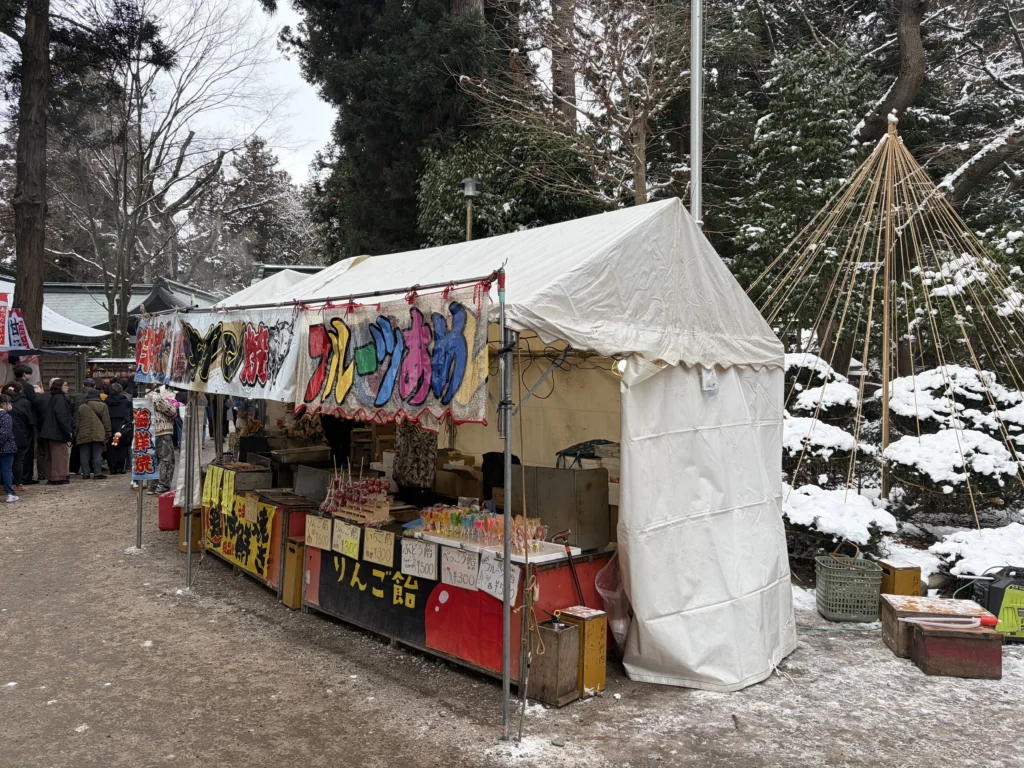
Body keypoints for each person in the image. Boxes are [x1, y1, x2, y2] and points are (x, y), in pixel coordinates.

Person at [40, 379, 74, 485]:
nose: (67, 387)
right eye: (65, 385)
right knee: (59, 455)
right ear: (59, 387)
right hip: (57, 431)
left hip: (48, 430)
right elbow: (61, 415)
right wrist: (68, 429)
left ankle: (51, 476)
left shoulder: (54, 397)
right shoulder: (60, 398)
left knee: (50, 456)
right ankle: (58, 477)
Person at [76, 386, 112, 479]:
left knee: (84, 455)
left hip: (83, 432)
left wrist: (76, 432)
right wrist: (108, 432)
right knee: (97, 454)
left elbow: (77, 421)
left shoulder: (82, 407)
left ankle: (85, 473)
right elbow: (106, 421)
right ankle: (97, 473)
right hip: (98, 432)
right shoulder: (103, 406)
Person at [147, 385, 177, 494]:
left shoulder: (142, 397)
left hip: (149, 432)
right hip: (162, 430)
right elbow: (171, 410)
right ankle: (163, 485)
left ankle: (152, 485)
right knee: (166, 459)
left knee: (153, 459)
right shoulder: (155, 396)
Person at [11, 364, 38, 484]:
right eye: (29, 373)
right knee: (27, 449)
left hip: (12, 418)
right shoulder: (27, 386)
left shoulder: (9, 384)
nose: (30, 376)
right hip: (26, 419)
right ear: (24, 374)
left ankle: (13, 477)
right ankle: (26, 476)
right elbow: (35, 401)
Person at [6, 382, 34, 492]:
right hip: (20, 434)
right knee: (19, 460)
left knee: (5, 462)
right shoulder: (24, 402)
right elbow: (29, 419)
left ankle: (4, 483)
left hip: (5, 434)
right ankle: (17, 484)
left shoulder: (4, 402)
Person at [105, 382, 133, 474]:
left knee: (111, 447)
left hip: (110, 426)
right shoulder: (126, 402)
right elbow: (130, 414)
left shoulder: (106, 402)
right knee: (122, 447)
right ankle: (121, 467)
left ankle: (112, 467)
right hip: (122, 427)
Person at [0, 394, 18, 503]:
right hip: (6, 448)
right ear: (4, 404)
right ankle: (10, 493)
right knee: (6, 470)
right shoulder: (6, 417)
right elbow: (4, 433)